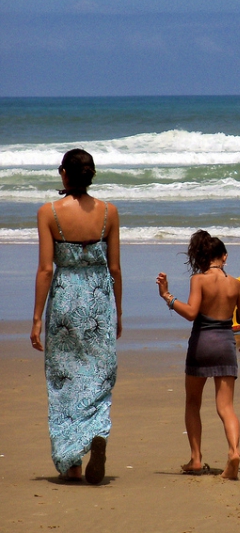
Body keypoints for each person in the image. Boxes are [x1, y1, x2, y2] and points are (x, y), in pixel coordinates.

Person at [30, 148, 122, 485]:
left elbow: (44, 270)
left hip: (66, 299)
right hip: (99, 300)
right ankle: (95, 432)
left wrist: (37, 318)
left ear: (64, 173)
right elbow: (114, 268)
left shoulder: (48, 213)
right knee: (98, 374)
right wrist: (118, 310)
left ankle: (72, 463)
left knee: (64, 379)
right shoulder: (109, 212)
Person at [156, 230, 240, 480]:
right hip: (224, 345)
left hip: (201, 344)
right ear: (224, 256)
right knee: (226, 407)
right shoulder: (236, 284)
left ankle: (196, 459)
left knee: (192, 402)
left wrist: (167, 296)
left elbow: (191, 313)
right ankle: (234, 451)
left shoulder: (199, 280)